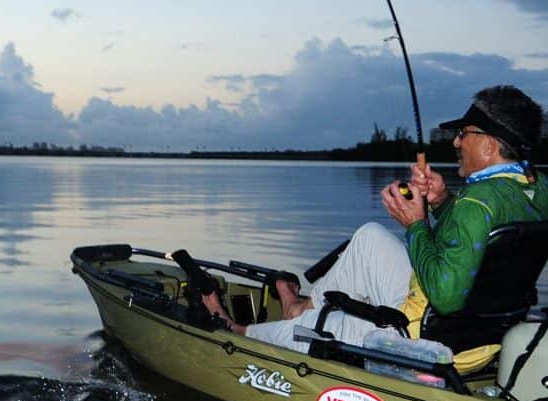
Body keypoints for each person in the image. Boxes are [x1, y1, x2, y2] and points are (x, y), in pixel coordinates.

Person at [202, 85, 548, 351]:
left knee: (332, 324)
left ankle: (238, 332)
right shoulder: (538, 189)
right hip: (487, 334)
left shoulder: (476, 203)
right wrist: (442, 202)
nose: (456, 141)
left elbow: (445, 298)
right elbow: (485, 238)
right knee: (369, 236)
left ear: (489, 145)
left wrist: (416, 225)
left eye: (465, 134)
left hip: (425, 335)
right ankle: (301, 305)